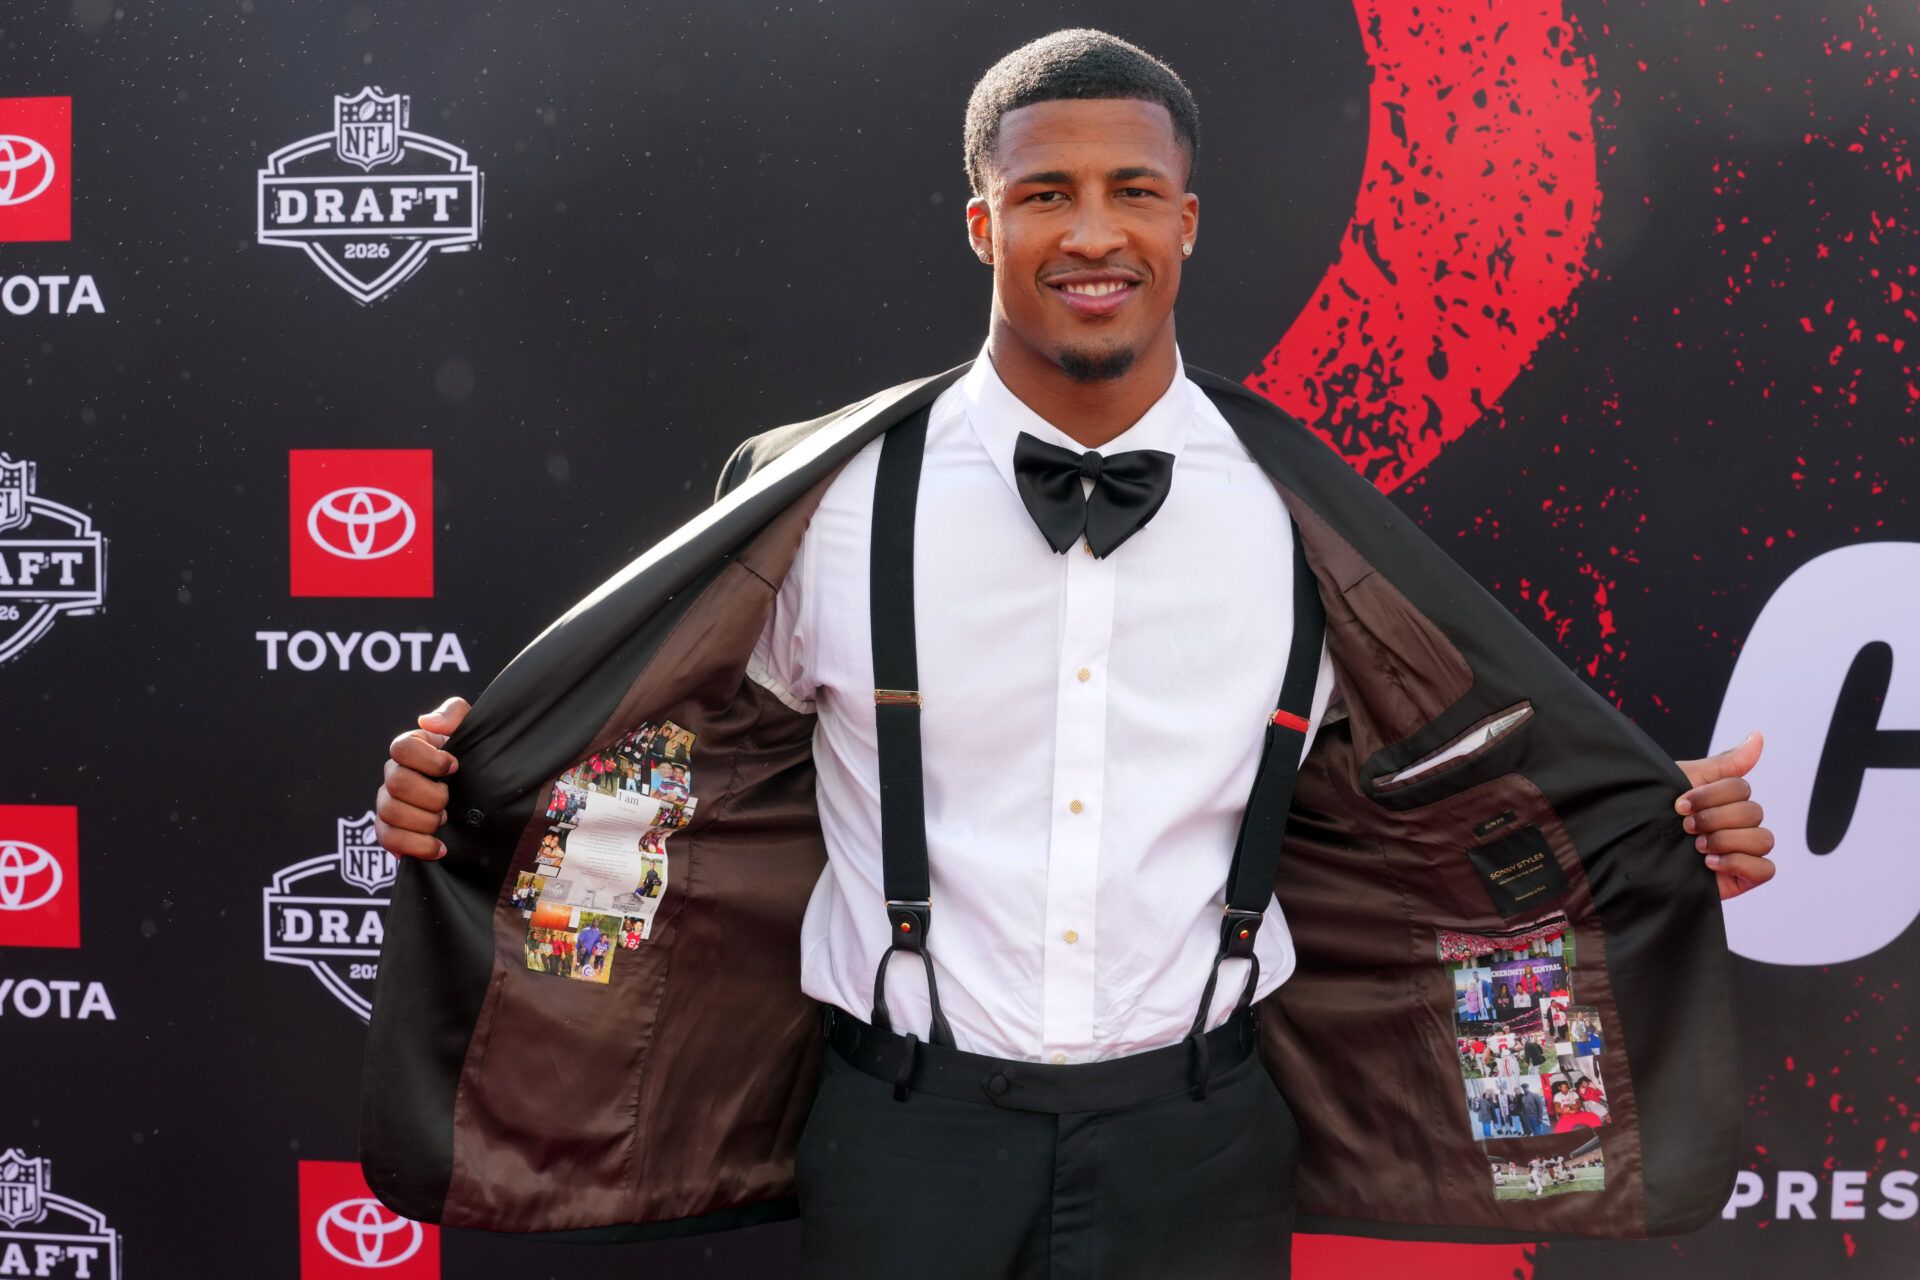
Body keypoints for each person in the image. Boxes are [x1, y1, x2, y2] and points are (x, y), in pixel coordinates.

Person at [366, 29, 1778, 1277]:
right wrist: (480, 793)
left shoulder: (1309, 520)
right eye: (1046, 193)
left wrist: (1657, 832)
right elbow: (657, 760)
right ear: (983, 222)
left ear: (1187, 223)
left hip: (1206, 1144)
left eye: (1132, 193)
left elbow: (1467, 805)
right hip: (899, 1136)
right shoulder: (826, 504)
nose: (1090, 233)